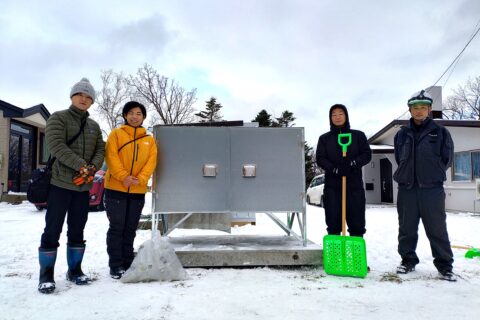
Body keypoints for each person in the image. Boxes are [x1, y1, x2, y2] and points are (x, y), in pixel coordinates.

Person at [38, 78, 105, 294]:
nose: (84, 99)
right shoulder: (58, 118)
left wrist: (92, 167)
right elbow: (56, 145)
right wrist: (82, 166)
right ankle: (46, 274)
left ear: (92, 101)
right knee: (52, 229)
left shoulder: (94, 126)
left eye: (88, 97)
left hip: (82, 188)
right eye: (80, 95)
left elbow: (100, 150)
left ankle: (74, 270)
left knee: (78, 229)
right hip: (60, 184)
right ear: (72, 96)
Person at [393, 90, 456, 281]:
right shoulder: (402, 135)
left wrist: (430, 174)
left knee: (437, 229)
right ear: (410, 110)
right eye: (415, 108)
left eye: (423, 107)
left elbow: (447, 159)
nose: (419, 111)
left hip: (432, 190)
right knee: (406, 228)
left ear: (429, 109)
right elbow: (399, 158)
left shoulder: (441, 132)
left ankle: (445, 266)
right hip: (407, 189)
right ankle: (408, 260)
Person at [104, 101, 157, 279]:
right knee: (117, 227)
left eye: (139, 113)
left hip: (137, 190)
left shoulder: (149, 140)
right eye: (131, 113)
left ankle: (128, 260)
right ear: (125, 115)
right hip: (115, 188)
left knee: (130, 228)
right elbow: (111, 157)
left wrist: (140, 179)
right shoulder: (116, 134)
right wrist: (123, 177)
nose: (135, 116)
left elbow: (151, 162)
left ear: (143, 117)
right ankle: (115, 264)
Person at [316, 104, 372, 237]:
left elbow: (366, 154)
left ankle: (354, 254)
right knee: (333, 223)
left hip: (354, 187)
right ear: (330, 118)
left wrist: (353, 164)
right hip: (333, 188)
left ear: (346, 116)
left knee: (357, 223)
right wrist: (334, 169)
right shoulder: (324, 139)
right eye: (333, 114)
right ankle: (335, 254)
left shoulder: (358, 136)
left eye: (340, 113)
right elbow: (320, 158)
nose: (337, 117)